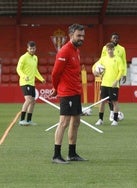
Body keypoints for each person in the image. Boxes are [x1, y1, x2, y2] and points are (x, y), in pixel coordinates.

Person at [50, 24, 86, 164]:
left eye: (83, 35)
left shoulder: (76, 50)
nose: (81, 38)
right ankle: (56, 155)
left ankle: (72, 153)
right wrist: (55, 88)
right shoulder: (64, 51)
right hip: (66, 93)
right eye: (79, 35)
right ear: (71, 35)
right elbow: (55, 73)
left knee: (76, 122)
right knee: (63, 122)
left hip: (76, 92)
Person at [93, 42, 124, 126]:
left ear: (114, 49)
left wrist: (116, 81)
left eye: (111, 49)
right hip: (104, 84)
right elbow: (96, 66)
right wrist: (95, 71)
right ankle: (100, 119)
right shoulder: (103, 59)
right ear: (106, 50)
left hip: (114, 85)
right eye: (108, 49)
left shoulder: (118, 59)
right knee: (102, 102)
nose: (110, 51)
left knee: (114, 102)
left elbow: (121, 71)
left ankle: (115, 120)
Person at [16, 41, 46, 126]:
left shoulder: (35, 58)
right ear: (27, 49)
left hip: (32, 83)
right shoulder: (23, 57)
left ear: (35, 48)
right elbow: (18, 69)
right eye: (31, 48)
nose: (32, 50)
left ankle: (29, 120)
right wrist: (24, 76)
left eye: (33, 48)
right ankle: (22, 120)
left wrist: (41, 79)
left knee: (33, 102)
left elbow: (35, 70)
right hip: (25, 82)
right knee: (28, 100)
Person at [100, 33, 127, 121]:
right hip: (106, 76)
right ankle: (111, 113)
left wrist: (124, 74)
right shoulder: (105, 48)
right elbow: (101, 60)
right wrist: (100, 72)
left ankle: (113, 114)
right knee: (105, 99)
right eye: (114, 38)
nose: (115, 39)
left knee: (113, 98)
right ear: (111, 39)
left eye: (117, 38)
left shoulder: (122, 49)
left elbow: (124, 61)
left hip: (116, 75)